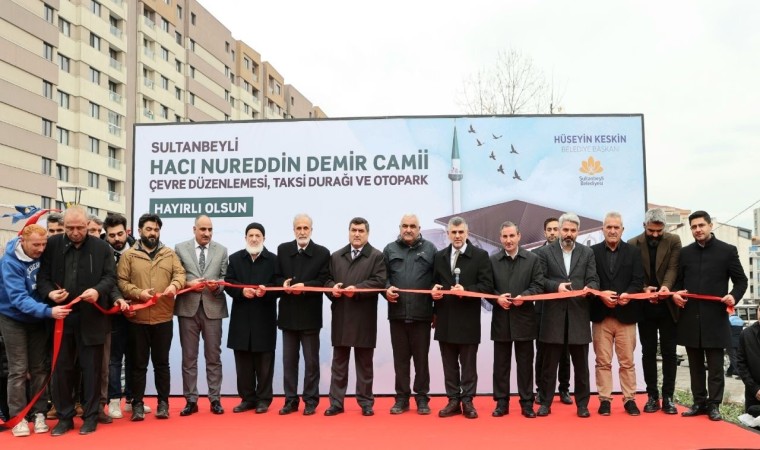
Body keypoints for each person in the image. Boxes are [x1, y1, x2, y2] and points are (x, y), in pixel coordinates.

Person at [37, 206, 126, 436]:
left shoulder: (101, 247)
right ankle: (65, 417)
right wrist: (49, 294)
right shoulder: (53, 245)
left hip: (92, 317)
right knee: (62, 370)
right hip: (62, 318)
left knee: (92, 370)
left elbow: (110, 277)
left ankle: (90, 416)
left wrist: (97, 291)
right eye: (70, 228)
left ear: (88, 225)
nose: (75, 232)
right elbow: (43, 278)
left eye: (79, 227)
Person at [673, 210, 747, 421]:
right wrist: (675, 295)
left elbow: (741, 281)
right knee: (695, 366)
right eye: (694, 227)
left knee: (715, 367)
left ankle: (714, 405)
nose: (698, 230)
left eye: (701, 225)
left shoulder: (728, 251)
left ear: (710, 225)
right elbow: (678, 284)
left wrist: (733, 296)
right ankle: (698, 403)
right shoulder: (685, 253)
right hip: (690, 318)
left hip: (715, 318)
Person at [0, 224, 71, 437]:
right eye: (36, 245)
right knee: (18, 369)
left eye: (43, 244)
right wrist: (48, 311)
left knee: (40, 368)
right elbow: (18, 298)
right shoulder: (9, 262)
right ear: (22, 241)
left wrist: (52, 294)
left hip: (38, 317)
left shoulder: (43, 256)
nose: (41, 249)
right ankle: (19, 417)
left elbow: (45, 281)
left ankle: (39, 413)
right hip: (13, 318)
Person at [117, 213, 185, 421]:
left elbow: (180, 274)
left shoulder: (169, 254)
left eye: (156, 229)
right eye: (149, 229)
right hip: (137, 319)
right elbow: (121, 282)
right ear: (139, 231)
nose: (153, 233)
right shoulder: (128, 256)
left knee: (161, 364)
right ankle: (137, 404)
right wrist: (139, 294)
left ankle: (163, 404)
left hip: (163, 318)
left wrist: (175, 286)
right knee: (138, 365)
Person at [536, 212, 600, 418]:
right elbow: (540, 281)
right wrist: (556, 287)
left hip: (578, 316)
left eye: (573, 231)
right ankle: (545, 403)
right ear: (559, 230)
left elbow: (594, 279)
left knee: (581, 367)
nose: (569, 234)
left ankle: (582, 405)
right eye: (565, 230)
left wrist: (590, 288)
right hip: (552, 317)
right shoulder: (545, 253)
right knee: (549, 366)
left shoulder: (587, 253)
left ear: (578, 232)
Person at [431, 216, 493, 419]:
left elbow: (486, 286)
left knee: (468, 366)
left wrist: (466, 290)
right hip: (445, 319)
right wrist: (435, 292)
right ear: (448, 234)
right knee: (449, 365)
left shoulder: (480, 256)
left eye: (461, 232)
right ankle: (453, 401)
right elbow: (433, 284)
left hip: (468, 321)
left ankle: (467, 401)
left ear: (467, 233)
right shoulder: (439, 256)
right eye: (453, 232)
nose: (457, 236)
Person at [324, 217, 387, 417]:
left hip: (364, 317)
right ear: (348, 232)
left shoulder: (376, 256)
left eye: (361, 230)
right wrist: (330, 289)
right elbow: (326, 280)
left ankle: (366, 402)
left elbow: (379, 281)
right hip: (341, 315)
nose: (357, 234)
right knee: (339, 364)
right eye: (353, 230)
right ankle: (336, 403)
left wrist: (357, 289)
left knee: (365, 364)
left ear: (367, 233)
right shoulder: (336, 256)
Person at [274, 214, 330, 416]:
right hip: (288, 316)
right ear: (293, 230)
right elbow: (277, 276)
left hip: (310, 316)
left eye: (306, 228)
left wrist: (305, 286)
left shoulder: (322, 253)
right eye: (298, 228)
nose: (302, 231)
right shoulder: (283, 249)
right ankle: (290, 400)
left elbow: (324, 281)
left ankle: (311, 400)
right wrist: (284, 284)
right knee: (289, 362)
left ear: (311, 230)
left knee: (311, 362)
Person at [627, 207, 681, 414]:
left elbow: (673, 267)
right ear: (644, 226)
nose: (656, 235)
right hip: (644, 307)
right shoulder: (632, 244)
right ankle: (652, 396)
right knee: (647, 353)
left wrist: (666, 288)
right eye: (651, 231)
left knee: (669, 353)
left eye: (659, 231)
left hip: (668, 307)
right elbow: (634, 273)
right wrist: (643, 289)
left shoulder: (674, 240)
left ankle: (668, 397)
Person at [382, 214, 437, 415]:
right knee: (401, 360)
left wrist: (435, 311)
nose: (408, 229)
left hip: (422, 315)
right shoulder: (390, 249)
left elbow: (436, 281)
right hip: (397, 314)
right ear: (399, 227)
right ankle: (401, 399)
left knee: (421, 360)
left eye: (412, 226)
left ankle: (422, 398)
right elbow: (383, 278)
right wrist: (386, 289)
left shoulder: (430, 249)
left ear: (419, 228)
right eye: (404, 225)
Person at [590, 212, 644, 416]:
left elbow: (638, 280)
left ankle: (630, 399)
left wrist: (628, 295)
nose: (612, 231)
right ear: (602, 229)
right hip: (601, 315)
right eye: (608, 227)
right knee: (602, 362)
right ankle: (604, 400)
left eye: (616, 227)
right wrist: (600, 295)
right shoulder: (592, 252)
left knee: (627, 362)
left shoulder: (634, 252)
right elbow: (591, 279)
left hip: (626, 315)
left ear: (622, 229)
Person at [174, 215, 228, 416]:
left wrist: (217, 287)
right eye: (203, 229)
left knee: (214, 357)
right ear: (194, 229)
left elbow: (225, 278)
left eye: (210, 229)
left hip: (213, 309)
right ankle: (191, 400)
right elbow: (176, 276)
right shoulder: (179, 248)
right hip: (187, 309)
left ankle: (215, 399)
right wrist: (188, 285)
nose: (207, 233)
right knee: (189, 357)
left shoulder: (222, 250)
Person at [489, 221, 543, 418]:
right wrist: (497, 298)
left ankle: (527, 403)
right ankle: (501, 403)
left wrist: (525, 296)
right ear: (500, 238)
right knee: (500, 366)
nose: (508, 240)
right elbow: (487, 288)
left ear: (519, 236)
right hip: (501, 320)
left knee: (525, 365)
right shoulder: (492, 260)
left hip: (525, 320)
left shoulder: (532, 259)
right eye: (505, 236)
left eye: (512, 236)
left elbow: (538, 284)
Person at [225, 222, 279, 414]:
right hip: (241, 321)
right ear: (246, 238)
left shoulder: (273, 260)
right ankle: (247, 398)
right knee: (243, 363)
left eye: (258, 235)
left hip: (264, 319)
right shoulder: (235, 259)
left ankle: (263, 399)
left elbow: (279, 286)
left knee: (264, 363)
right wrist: (242, 292)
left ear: (264, 238)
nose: (254, 239)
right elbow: (228, 284)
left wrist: (267, 291)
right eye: (251, 235)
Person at [102, 213, 148, 419]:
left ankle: (132, 399)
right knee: (114, 358)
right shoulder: (101, 251)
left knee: (135, 356)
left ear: (127, 232)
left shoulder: (140, 249)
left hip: (138, 309)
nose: (117, 239)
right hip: (112, 312)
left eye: (120, 234)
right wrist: (118, 299)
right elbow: (107, 280)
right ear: (107, 235)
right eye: (112, 235)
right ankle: (113, 400)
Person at [533, 217, 572, 405]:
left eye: (556, 229)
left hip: (563, 310)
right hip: (542, 311)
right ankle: (540, 390)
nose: (553, 232)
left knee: (565, 352)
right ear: (544, 232)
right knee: (542, 353)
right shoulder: (536, 254)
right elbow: (538, 281)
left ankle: (564, 389)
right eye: (549, 229)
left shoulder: (568, 254)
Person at [736, 304, 760, 415]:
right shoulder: (746, 334)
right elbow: (741, 364)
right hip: (753, 394)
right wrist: (755, 389)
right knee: (752, 431)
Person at [726, 312, 743, 378]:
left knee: (733, 358)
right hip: (739, 342)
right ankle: (729, 372)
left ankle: (740, 374)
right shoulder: (740, 320)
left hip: (730, 342)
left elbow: (727, 332)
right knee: (736, 358)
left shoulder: (729, 320)